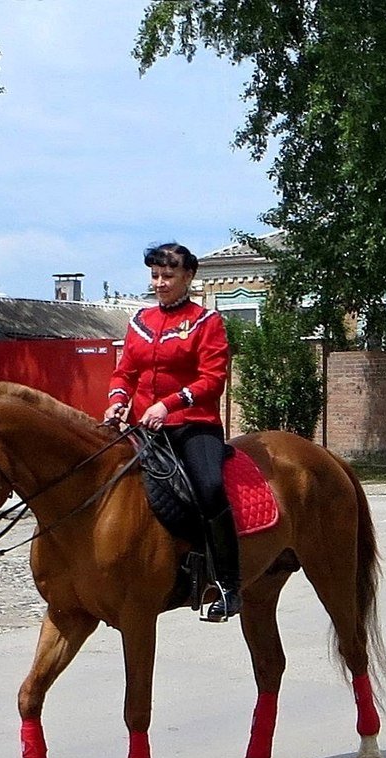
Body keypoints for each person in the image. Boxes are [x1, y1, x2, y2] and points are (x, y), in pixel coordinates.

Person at [103, 242, 240, 622]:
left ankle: (228, 583)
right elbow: (125, 372)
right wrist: (117, 400)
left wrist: (169, 404)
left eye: (168, 276)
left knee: (210, 487)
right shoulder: (140, 323)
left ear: (188, 277)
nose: (160, 283)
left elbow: (212, 379)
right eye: (155, 276)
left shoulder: (206, 322)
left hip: (194, 427)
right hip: (144, 428)